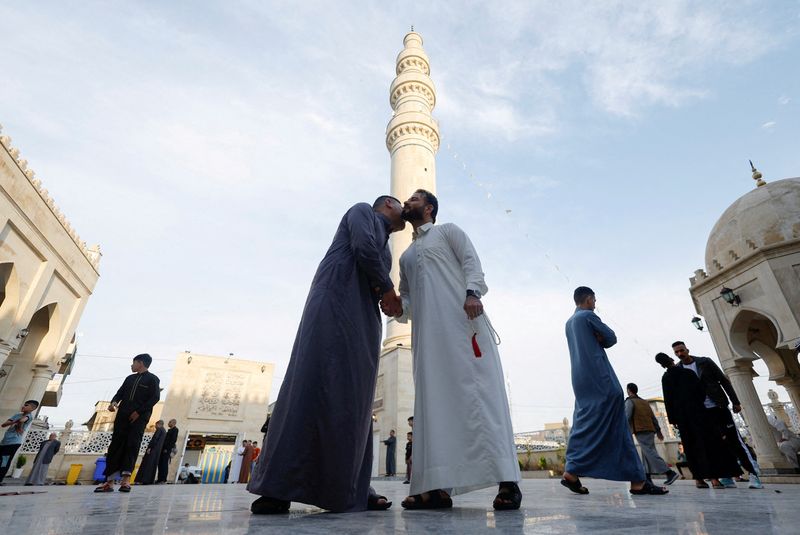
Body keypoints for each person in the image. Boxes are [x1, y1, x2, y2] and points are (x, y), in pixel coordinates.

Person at [248, 196, 406, 514]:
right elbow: (363, 248)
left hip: (361, 317)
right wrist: (389, 289)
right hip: (334, 304)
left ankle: (350, 487)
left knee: (353, 401)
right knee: (308, 385)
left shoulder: (387, 247)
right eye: (405, 203)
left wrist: (384, 294)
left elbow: (373, 269)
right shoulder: (362, 211)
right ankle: (279, 486)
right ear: (389, 204)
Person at [388, 190, 521, 511]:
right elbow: (408, 302)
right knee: (436, 407)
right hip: (429, 343)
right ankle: (436, 488)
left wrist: (473, 292)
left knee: (482, 397)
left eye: (414, 199)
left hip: (464, 327)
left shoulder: (448, 232)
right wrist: (395, 306)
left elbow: (472, 264)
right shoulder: (406, 256)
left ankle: (508, 482)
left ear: (429, 207)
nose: (407, 203)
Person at [561, 287, 666, 496]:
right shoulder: (588, 316)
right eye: (594, 300)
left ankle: (572, 470)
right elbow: (611, 338)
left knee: (584, 423)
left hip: (580, 380)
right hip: (601, 378)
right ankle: (638, 481)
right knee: (618, 428)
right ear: (589, 299)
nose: (594, 304)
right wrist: (600, 337)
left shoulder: (569, 323)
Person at [672, 341, 763, 489]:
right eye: (676, 352)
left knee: (735, 440)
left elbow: (723, 380)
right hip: (701, 414)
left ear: (687, 349)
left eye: (681, 350)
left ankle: (753, 474)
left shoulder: (704, 362)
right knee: (716, 444)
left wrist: (735, 401)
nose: (680, 354)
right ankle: (726, 475)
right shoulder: (679, 370)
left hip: (718, 406)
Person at [655, 352, 741, 488]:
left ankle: (699, 479)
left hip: (683, 418)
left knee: (691, 447)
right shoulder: (688, 374)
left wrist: (673, 419)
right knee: (707, 445)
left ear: (661, 365)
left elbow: (668, 400)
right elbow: (701, 391)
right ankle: (714, 479)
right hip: (699, 413)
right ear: (672, 359)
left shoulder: (666, 378)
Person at [95, 353, 160, 493]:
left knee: (132, 446)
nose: (132, 365)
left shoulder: (152, 379)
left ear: (140, 363)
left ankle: (125, 481)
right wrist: (113, 403)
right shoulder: (129, 378)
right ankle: (109, 482)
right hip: (122, 417)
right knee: (115, 446)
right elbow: (120, 393)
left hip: (138, 419)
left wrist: (139, 412)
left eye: (134, 362)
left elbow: (154, 398)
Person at [625, 383, 679, 485]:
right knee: (646, 453)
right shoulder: (644, 402)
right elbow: (653, 417)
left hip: (640, 430)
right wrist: (658, 431)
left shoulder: (630, 402)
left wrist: (623, 430)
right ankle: (647, 478)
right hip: (650, 429)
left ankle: (669, 473)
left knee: (649, 452)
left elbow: (627, 417)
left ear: (628, 390)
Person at [0, 400, 39, 484]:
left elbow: (22, 421)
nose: (23, 406)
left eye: (26, 405)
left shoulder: (29, 416)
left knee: (5, 460)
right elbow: (4, 424)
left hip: (14, 442)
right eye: (24, 405)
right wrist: (15, 421)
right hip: (4, 441)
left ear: (33, 408)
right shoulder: (17, 415)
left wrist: (16, 422)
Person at [134, 419, 165, 485]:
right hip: (157, 452)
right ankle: (149, 480)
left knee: (146, 465)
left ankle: (143, 479)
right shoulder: (164, 431)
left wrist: (150, 447)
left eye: (156, 425)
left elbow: (155, 439)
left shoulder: (159, 430)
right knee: (152, 466)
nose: (155, 427)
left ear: (158, 424)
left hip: (153, 450)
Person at [157, 419, 179, 483]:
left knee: (164, 464)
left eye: (170, 422)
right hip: (163, 449)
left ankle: (163, 479)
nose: (168, 423)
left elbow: (173, 440)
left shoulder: (175, 430)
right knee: (160, 464)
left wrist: (167, 449)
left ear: (174, 423)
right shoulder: (169, 430)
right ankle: (159, 479)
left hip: (167, 450)